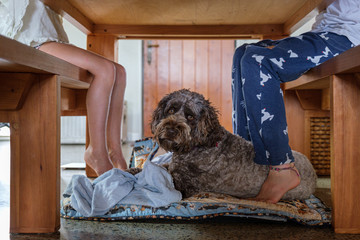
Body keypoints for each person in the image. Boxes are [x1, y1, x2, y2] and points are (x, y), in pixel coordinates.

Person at [231, 0, 360, 203]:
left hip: (347, 35)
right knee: (242, 53)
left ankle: (281, 168)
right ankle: (247, 155)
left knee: (257, 60)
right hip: (326, 30)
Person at [0, 0, 128, 176]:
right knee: (105, 70)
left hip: (49, 38)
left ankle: (115, 151)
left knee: (120, 72)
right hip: (29, 40)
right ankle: (97, 151)